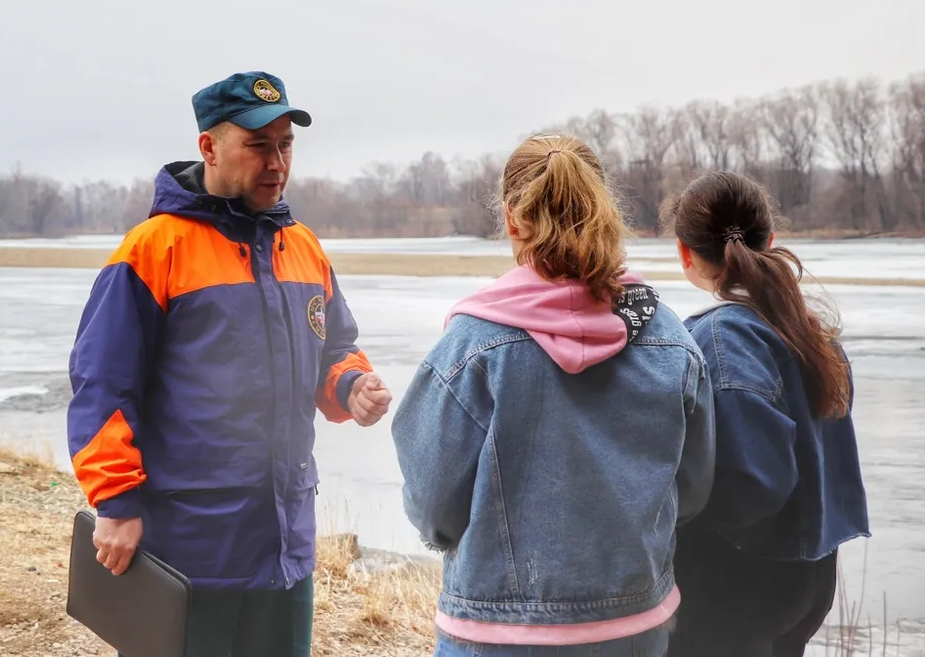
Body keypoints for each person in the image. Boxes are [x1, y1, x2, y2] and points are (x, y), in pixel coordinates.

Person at [66, 70, 393, 657]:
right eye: (258, 145)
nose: (277, 163)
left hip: (285, 548)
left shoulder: (303, 247)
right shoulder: (153, 249)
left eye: (285, 144)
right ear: (209, 147)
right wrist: (115, 503)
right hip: (186, 551)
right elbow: (102, 385)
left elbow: (334, 347)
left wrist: (351, 386)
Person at [389, 133, 716, 657]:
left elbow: (432, 505)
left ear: (512, 219)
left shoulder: (474, 344)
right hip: (634, 624)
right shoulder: (670, 337)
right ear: (604, 208)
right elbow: (692, 490)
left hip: (502, 631)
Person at [661, 171, 871, 657]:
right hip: (809, 570)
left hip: (738, 581)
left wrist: (670, 517)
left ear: (685, 253)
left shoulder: (724, 340)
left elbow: (753, 482)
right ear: (770, 240)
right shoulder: (809, 330)